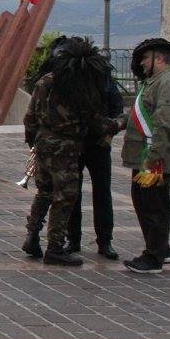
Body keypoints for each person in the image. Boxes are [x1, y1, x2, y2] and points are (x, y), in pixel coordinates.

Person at [22, 37, 125, 266]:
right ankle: (56, 247)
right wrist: (119, 124)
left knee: (44, 193)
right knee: (64, 197)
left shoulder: (45, 82)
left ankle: (32, 237)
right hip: (67, 147)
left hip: (44, 143)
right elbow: (95, 122)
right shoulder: (79, 87)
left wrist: (34, 141)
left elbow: (29, 117)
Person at [122, 37, 170, 274]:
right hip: (145, 156)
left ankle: (154, 258)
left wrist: (153, 156)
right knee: (143, 201)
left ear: (159, 58)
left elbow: (164, 122)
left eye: (145, 58)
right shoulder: (157, 80)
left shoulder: (169, 82)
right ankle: (161, 248)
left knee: (153, 205)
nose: (141, 62)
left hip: (153, 159)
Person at [67, 62, 125, 260]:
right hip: (75, 142)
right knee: (72, 193)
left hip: (99, 143)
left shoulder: (104, 80)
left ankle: (104, 241)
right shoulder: (70, 78)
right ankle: (73, 239)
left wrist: (109, 134)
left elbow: (117, 108)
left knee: (102, 192)